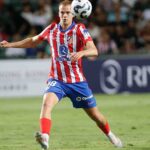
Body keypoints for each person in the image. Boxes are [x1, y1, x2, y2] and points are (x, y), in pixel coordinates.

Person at [0, 1, 123, 150]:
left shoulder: (79, 29)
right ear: (58, 14)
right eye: (62, 12)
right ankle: (45, 138)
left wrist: (82, 52)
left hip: (77, 82)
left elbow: (94, 50)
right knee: (46, 104)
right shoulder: (52, 29)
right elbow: (33, 41)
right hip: (57, 80)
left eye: (67, 13)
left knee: (96, 117)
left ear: (73, 14)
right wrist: (11, 44)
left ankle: (111, 136)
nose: (64, 15)